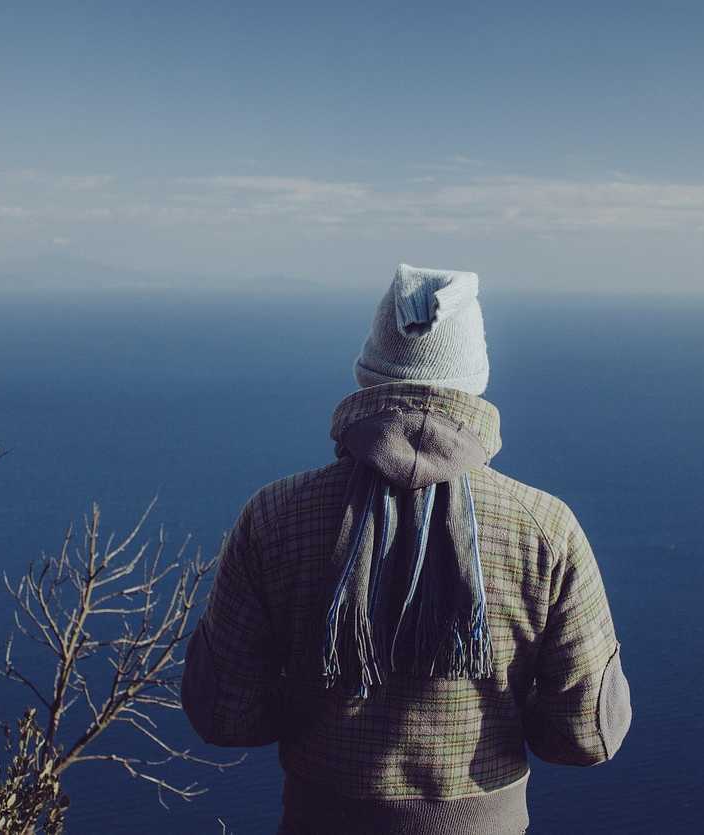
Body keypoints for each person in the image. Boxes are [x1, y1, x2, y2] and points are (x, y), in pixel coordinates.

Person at [182, 264, 632, 834]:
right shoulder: (545, 528)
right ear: (475, 379)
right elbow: (585, 735)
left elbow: (225, 714)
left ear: (369, 374)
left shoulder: (275, 514)